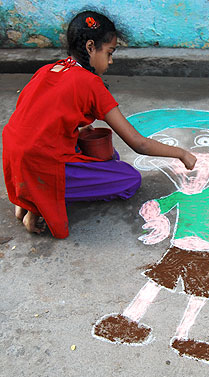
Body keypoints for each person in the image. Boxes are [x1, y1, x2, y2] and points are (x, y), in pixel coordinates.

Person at [2, 11, 196, 239]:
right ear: (91, 47)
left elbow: (31, 120)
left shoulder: (48, 70)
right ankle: (35, 203)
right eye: (109, 53)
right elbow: (138, 143)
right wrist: (181, 153)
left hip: (14, 158)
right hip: (40, 164)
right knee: (129, 179)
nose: (110, 61)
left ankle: (24, 198)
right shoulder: (91, 84)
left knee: (96, 150)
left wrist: (77, 129)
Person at [92, 109, 209, 364]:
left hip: (205, 250)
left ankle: (184, 336)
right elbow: (153, 205)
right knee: (157, 282)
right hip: (180, 248)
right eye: (181, 174)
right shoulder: (178, 197)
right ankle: (128, 321)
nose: (189, 177)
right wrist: (158, 221)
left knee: (198, 293)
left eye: (199, 173)